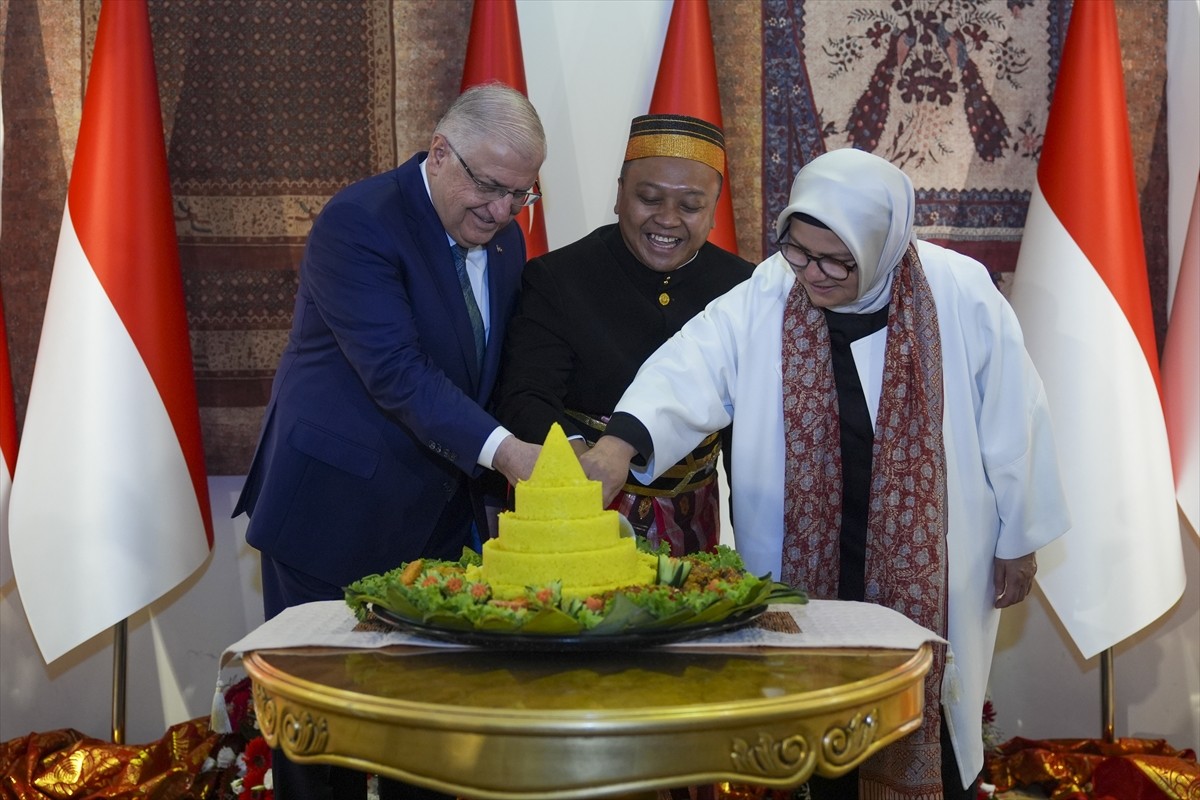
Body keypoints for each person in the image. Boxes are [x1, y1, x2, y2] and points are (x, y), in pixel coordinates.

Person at [581, 148, 1071, 800]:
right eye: (798, 251)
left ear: (884, 244)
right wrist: (619, 445)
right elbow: (690, 368)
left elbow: (1017, 415)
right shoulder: (770, 291)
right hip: (808, 553)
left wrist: (1020, 537)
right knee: (817, 739)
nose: (812, 274)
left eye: (836, 260)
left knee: (931, 720)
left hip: (928, 557)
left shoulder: (958, 291)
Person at [233, 82, 547, 800]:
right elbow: (399, 374)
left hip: (437, 531)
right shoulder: (359, 223)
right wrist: (510, 454)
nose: (503, 213)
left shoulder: (505, 241)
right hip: (329, 522)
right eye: (493, 189)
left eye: (521, 196)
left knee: (431, 748)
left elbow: (485, 374)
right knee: (323, 748)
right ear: (441, 154)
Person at [496, 114, 752, 555]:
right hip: (581, 507)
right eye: (648, 198)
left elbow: (749, 430)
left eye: (690, 206)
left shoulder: (743, 287)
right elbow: (525, 394)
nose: (668, 220)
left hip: (694, 516)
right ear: (619, 195)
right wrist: (580, 465)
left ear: (715, 207)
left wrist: (753, 532)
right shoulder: (558, 277)